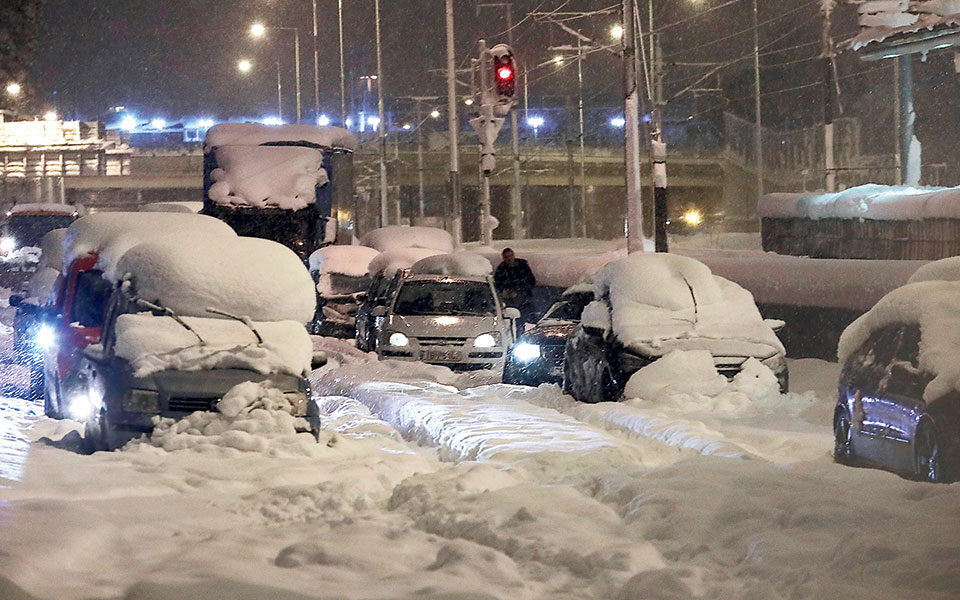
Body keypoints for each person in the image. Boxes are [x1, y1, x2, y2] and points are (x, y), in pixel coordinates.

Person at [494, 247, 536, 328]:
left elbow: (531, 281)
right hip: (509, 299)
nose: (509, 259)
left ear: (513, 255)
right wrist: (505, 291)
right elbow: (498, 283)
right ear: (503, 258)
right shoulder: (501, 268)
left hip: (524, 298)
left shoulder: (523, 266)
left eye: (510, 256)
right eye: (506, 257)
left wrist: (519, 290)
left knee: (522, 319)